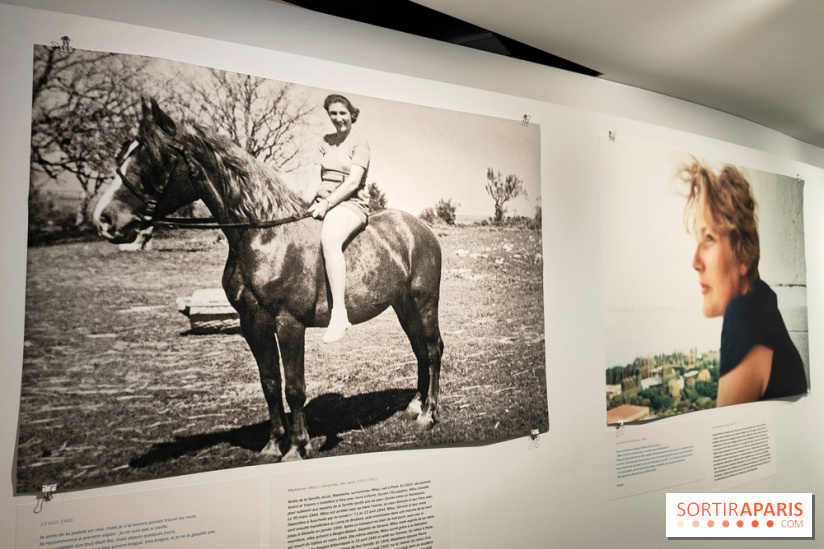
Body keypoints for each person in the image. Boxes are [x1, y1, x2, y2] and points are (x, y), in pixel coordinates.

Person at [682, 160, 807, 406]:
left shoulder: (742, 316)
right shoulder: (763, 307)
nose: (695, 261)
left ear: (744, 255)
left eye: (709, 238)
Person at [304, 94, 371, 343]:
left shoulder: (359, 142)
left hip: (350, 204)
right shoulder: (325, 142)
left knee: (330, 240)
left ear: (351, 114)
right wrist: (300, 206)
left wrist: (328, 204)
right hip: (322, 203)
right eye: (333, 114)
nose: (338, 118)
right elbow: (315, 178)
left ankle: (340, 314)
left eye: (343, 113)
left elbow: (353, 181)